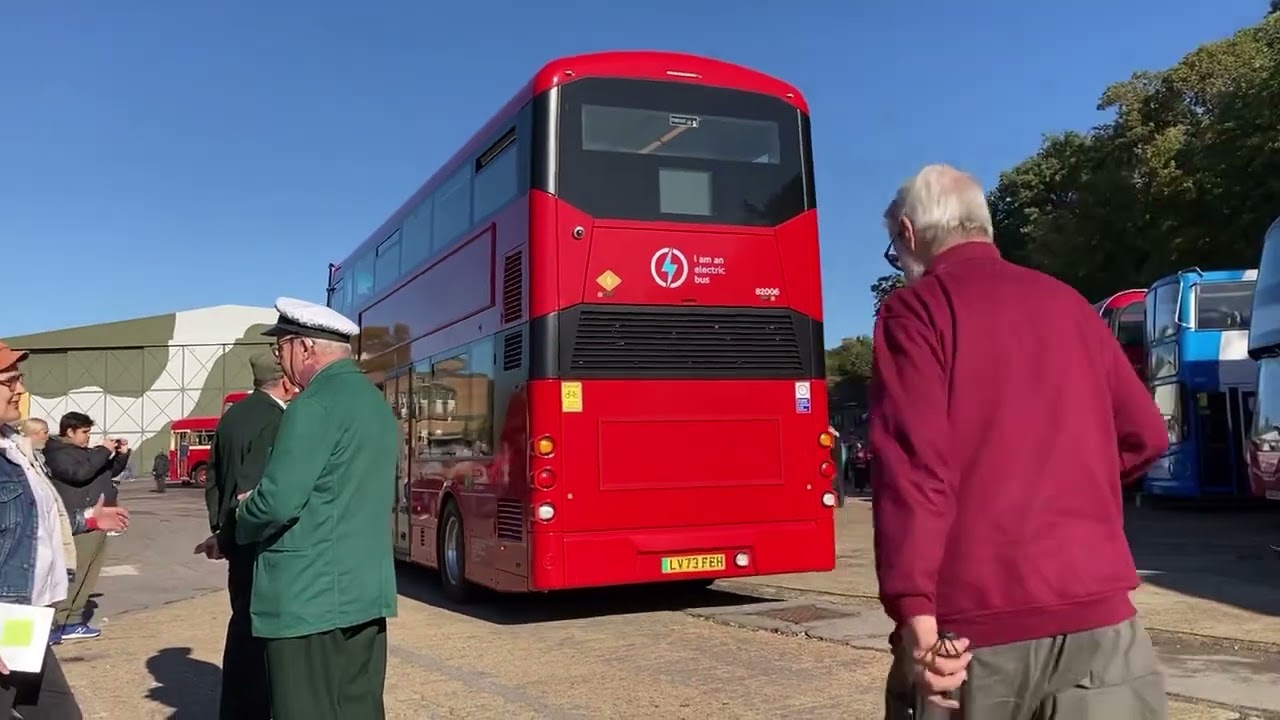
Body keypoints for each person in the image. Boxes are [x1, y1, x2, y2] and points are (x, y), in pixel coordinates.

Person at [870, 165, 1169, 719]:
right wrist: (1070, 487)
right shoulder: (1070, 305)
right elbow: (1146, 435)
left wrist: (915, 615)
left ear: (909, 236)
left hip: (974, 631)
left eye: (895, 252)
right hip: (1102, 628)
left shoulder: (916, 310)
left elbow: (914, 468)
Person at [232, 297, 398, 719]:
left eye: (280, 347)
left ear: (304, 348)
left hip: (308, 597)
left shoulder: (313, 405)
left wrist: (242, 515)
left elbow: (278, 502)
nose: (279, 357)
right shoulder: (372, 402)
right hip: (363, 591)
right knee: (357, 707)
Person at [0, 342, 129, 717]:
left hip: (24, 620)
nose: (20, 390)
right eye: (11, 381)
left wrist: (88, 520)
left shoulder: (13, 447)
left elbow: (31, 523)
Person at [194, 352, 297, 720]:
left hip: (234, 539)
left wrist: (220, 531)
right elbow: (255, 490)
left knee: (241, 626)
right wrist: (238, 533)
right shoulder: (278, 420)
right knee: (261, 636)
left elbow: (216, 480)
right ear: (286, 382)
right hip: (259, 543)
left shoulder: (233, 415)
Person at [42, 411, 130, 641]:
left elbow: (107, 471)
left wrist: (120, 456)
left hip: (98, 519)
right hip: (80, 520)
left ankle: (73, 620)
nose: (88, 437)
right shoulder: (57, 453)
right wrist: (104, 451)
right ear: (69, 431)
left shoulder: (84, 453)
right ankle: (56, 622)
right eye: (84, 432)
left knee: (89, 574)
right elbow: (80, 474)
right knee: (74, 573)